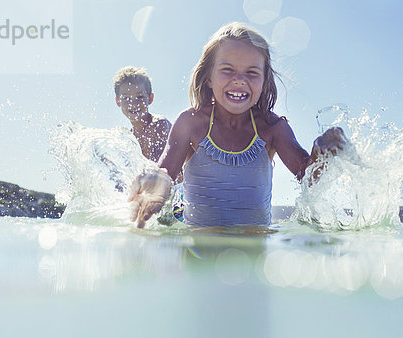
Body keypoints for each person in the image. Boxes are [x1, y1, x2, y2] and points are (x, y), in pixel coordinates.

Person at [128, 22, 347, 228]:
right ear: (209, 77)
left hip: (254, 250)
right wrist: (157, 182)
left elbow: (307, 175)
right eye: (227, 69)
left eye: (252, 73)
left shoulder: (272, 128)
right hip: (199, 247)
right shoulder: (191, 123)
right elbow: (166, 170)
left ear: (264, 81)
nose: (239, 79)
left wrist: (322, 154)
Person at [113, 66, 172, 162]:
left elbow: (162, 169)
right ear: (118, 101)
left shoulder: (159, 125)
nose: (133, 104)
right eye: (126, 98)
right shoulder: (128, 140)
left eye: (140, 97)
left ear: (150, 98)